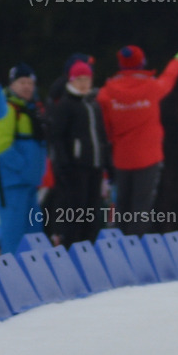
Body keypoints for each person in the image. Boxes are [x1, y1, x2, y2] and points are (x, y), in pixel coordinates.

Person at [96, 45, 178, 235]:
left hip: (122, 156)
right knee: (142, 205)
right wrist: (177, 60)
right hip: (148, 156)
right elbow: (168, 78)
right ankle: (136, 245)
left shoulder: (107, 92)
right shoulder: (151, 87)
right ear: (142, 62)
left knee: (122, 203)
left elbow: (105, 126)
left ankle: (120, 244)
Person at [48, 60, 107, 245]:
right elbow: (57, 135)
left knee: (93, 209)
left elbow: (100, 135)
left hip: (95, 165)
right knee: (76, 209)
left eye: (87, 79)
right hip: (76, 167)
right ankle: (72, 245)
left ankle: (89, 245)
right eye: (79, 79)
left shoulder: (93, 104)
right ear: (72, 81)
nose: (83, 83)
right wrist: (65, 162)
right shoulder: (66, 104)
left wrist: (106, 161)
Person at [0, 64, 47, 253]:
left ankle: (35, 275)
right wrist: (22, 167)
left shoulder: (31, 108)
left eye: (30, 82)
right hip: (13, 184)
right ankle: (10, 276)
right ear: (12, 85)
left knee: (34, 234)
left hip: (29, 183)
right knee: (14, 234)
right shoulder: (9, 108)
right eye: (22, 82)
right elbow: (1, 144)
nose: (27, 86)